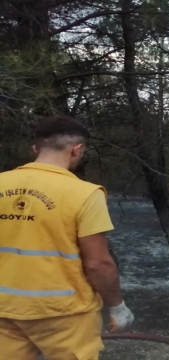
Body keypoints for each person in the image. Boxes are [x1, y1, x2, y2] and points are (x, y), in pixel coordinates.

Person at [0, 116, 134, 360]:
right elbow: (98, 263)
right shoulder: (84, 194)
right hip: (63, 313)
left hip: (4, 309)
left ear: (35, 149)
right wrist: (117, 306)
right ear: (77, 149)